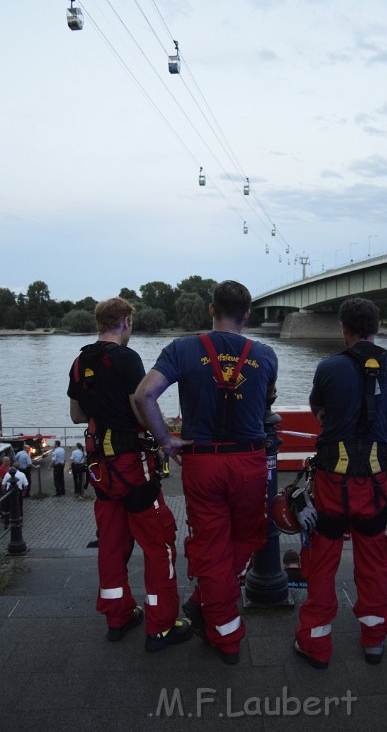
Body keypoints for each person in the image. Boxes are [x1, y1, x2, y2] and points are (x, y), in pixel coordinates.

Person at [134, 280, 278, 665]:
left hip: (203, 462)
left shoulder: (182, 349)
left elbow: (143, 395)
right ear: (247, 314)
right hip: (249, 461)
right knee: (249, 536)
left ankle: (211, 611)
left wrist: (166, 440)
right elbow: (267, 403)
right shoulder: (266, 355)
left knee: (211, 546)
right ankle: (224, 627)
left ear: (212, 309)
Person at [67, 296, 192, 652]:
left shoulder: (79, 361)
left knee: (111, 543)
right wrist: (165, 436)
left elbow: (77, 415)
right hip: (131, 466)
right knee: (159, 542)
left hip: (100, 470)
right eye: (130, 323)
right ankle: (162, 624)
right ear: (124, 321)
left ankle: (118, 616)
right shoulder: (127, 358)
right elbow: (142, 405)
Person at [294, 297, 387, 667]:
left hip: (333, 483)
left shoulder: (329, 368)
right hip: (375, 482)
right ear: (377, 326)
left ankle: (316, 643)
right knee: (373, 560)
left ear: (343, 328)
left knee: (322, 561)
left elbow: (321, 413)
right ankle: (374, 638)